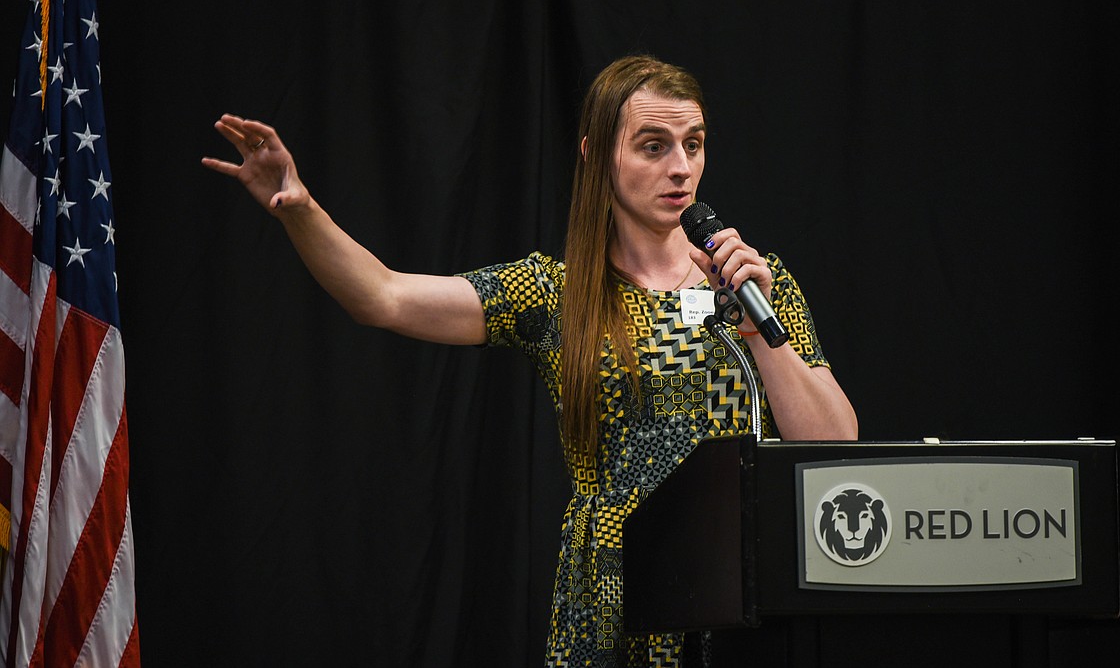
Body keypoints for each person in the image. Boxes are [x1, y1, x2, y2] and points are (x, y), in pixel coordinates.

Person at [203, 55, 857, 667]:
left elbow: (833, 448)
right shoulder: (555, 293)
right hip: (614, 593)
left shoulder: (757, 285)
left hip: (739, 586)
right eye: (654, 145)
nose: (681, 168)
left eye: (694, 142)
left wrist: (754, 329)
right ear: (596, 154)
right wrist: (301, 210)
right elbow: (384, 296)